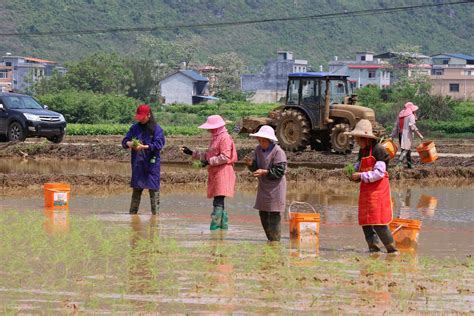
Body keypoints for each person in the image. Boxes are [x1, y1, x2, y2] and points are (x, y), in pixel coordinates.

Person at [346, 119, 398, 254]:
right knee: (366, 222)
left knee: (379, 222)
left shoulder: (379, 150)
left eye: (358, 139)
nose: (356, 142)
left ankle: (392, 250)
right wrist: (352, 172)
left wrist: (361, 176)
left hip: (378, 191)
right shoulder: (362, 151)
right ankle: (373, 249)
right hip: (366, 192)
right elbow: (359, 166)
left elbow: (379, 173)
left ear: (366, 138)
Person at [181, 115, 237, 230]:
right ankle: (222, 229)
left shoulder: (224, 138)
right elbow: (208, 155)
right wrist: (191, 153)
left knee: (218, 200)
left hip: (223, 173)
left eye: (211, 128)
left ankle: (215, 228)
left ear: (217, 127)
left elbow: (225, 157)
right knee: (219, 201)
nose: (209, 130)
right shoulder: (216, 138)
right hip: (216, 173)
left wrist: (208, 162)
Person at [244, 125, 287, 242]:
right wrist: (250, 165)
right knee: (263, 213)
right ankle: (270, 240)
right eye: (260, 140)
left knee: (274, 214)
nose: (261, 142)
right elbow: (256, 168)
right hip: (264, 187)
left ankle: (275, 241)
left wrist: (265, 172)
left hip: (276, 188)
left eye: (264, 140)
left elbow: (280, 171)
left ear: (270, 140)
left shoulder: (278, 152)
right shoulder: (258, 150)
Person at [122, 104, 165, 215]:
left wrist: (144, 147)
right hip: (138, 164)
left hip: (152, 165)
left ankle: (156, 217)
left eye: (143, 117)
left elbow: (158, 144)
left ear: (149, 115)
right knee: (136, 191)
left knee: (154, 192)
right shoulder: (134, 128)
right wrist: (130, 143)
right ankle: (132, 215)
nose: (140, 119)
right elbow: (124, 141)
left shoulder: (157, 129)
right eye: (139, 117)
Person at [390, 102, 424, 169]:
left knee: (407, 150)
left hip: (400, 135)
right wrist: (420, 135)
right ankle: (398, 165)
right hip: (407, 136)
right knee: (405, 150)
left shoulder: (400, 116)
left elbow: (396, 127)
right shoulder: (411, 116)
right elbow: (412, 127)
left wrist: (392, 136)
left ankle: (409, 165)